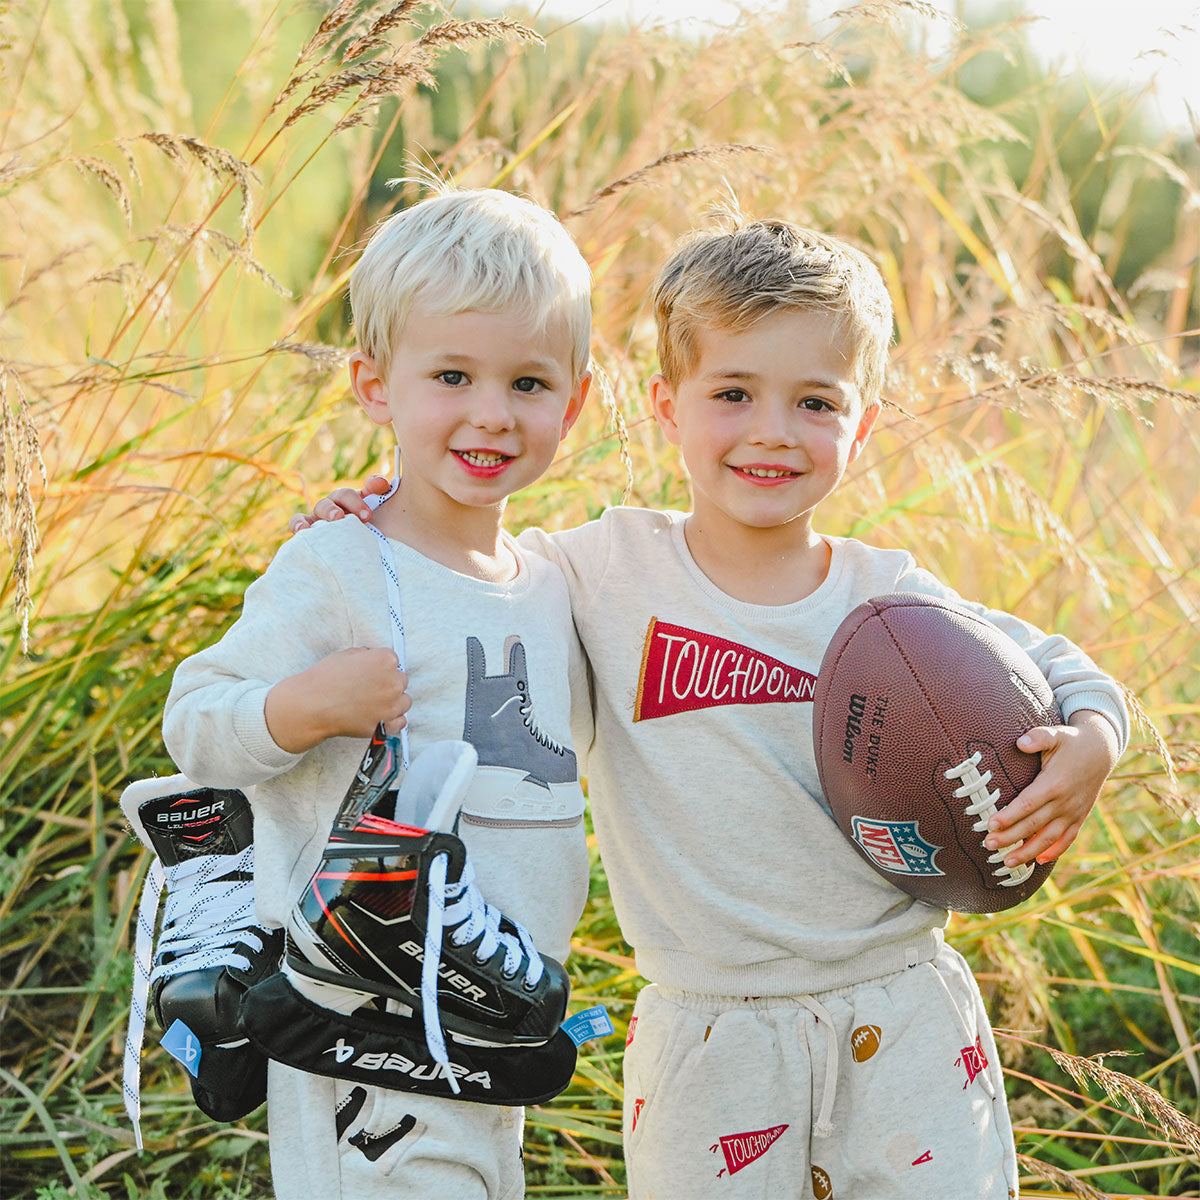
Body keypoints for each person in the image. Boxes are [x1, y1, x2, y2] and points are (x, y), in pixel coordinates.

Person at [302, 216, 1128, 1199]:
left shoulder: (896, 610)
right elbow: (462, 574)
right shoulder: (597, 570)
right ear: (665, 405)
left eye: (815, 401)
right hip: (710, 1032)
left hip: (901, 1011)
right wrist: (374, 514)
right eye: (732, 393)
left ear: (859, 427)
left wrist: (1093, 743)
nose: (772, 431)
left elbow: (1065, 669)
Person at [158, 186, 594, 1200]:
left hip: (494, 1018)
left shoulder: (555, 585)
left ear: (574, 400)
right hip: (363, 1033)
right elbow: (195, 718)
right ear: (373, 386)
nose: (492, 411)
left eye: (528, 381)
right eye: (452, 375)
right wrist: (303, 706)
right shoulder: (342, 568)